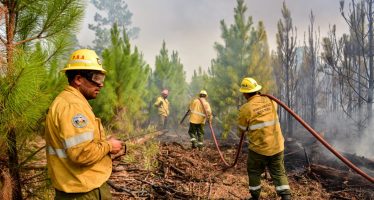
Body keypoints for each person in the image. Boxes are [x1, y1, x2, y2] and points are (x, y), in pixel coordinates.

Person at [45, 49, 123, 200]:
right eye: (96, 78)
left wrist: (103, 143)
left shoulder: (70, 101)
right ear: (79, 79)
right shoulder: (73, 106)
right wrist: (109, 146)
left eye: (102, 78)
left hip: (79, 186)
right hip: (82, 191)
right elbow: (81, 154)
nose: (101, 85)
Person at [237, 77, 291, 200]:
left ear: (245, 93)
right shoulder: (271, 101)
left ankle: (255, 197)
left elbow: (241, 129)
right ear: (257, 89)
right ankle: (286, 196)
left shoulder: (246, 108)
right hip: (277, 146)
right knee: (278, 171)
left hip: (258, 149)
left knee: (254, 171)